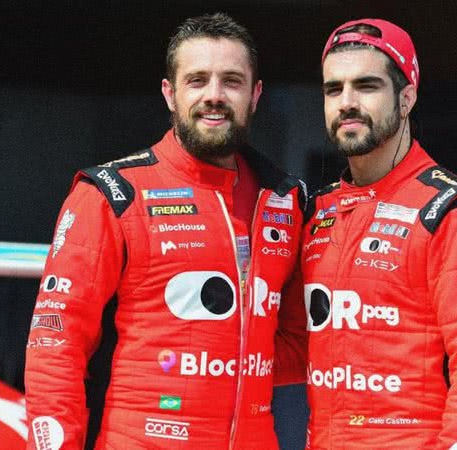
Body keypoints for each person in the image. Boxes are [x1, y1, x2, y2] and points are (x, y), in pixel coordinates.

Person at [24, 13, 307, 449]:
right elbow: (55, 343)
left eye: (231, 81)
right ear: (169, 94)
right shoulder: (113, 193)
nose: (214, 96)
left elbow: (298, 342)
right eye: (197, 80)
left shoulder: (288, 201)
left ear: (255, 95)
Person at [295, 18, 457, 450]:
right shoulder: (316, 212)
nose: (346, 102)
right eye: (333, 89)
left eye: (366, 86)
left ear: (406, 97)